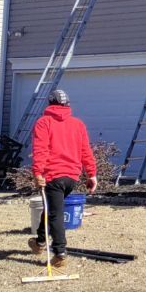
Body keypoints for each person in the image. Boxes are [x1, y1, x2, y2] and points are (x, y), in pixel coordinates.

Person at [28, 88, 96, 268]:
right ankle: (40, 242)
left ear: (50, 104)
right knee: (52, 207)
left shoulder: (44, 122)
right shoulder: (78, 124)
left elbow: (40, 150)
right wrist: (92, 174)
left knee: (55, 214)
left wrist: (37, 172)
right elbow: (86, 151)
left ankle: (60, 253)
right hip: (71, 177)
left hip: (53, 176)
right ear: (67, 104)